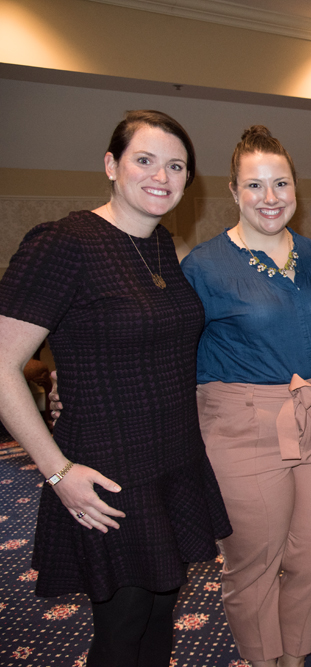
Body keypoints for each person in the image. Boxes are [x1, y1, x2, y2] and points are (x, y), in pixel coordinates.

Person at [0, 110, 231, 666]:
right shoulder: (65, 243)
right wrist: (57, 472)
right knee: (123, 629)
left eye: (176, 165)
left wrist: (70, 377)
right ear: (111, 165)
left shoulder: (161, 248)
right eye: (144, 160)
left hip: (173, 459)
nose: (162, 175)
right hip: (109, 470)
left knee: (159, 618)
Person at [180, 126, 311, 667]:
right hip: (242, 425)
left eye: (280, 183)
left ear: (295, 187)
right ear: (233, 191)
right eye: (254, 186)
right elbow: (166, 346)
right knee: (253, 562)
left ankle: (294, 655)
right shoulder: (205, 267)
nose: (270, 198)